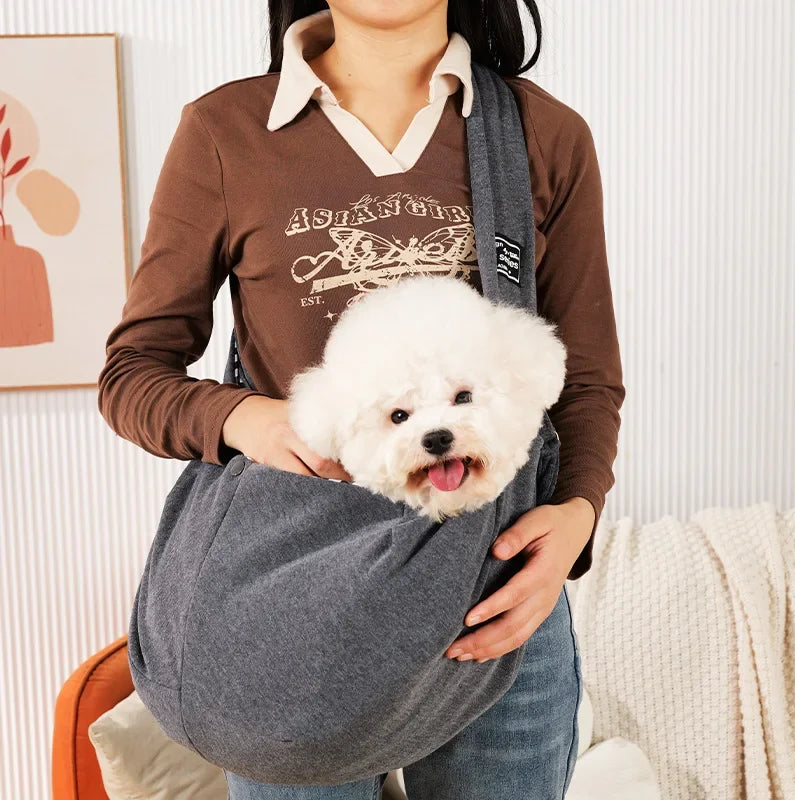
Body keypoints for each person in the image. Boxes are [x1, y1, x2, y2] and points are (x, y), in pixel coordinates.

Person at [98, 1, 625, 797]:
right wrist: (250, 418)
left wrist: (576, 517)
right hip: (294, 614)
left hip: (494, 598)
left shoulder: (538, 134)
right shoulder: (226, 129)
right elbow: (133, 374)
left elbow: (582, 377)